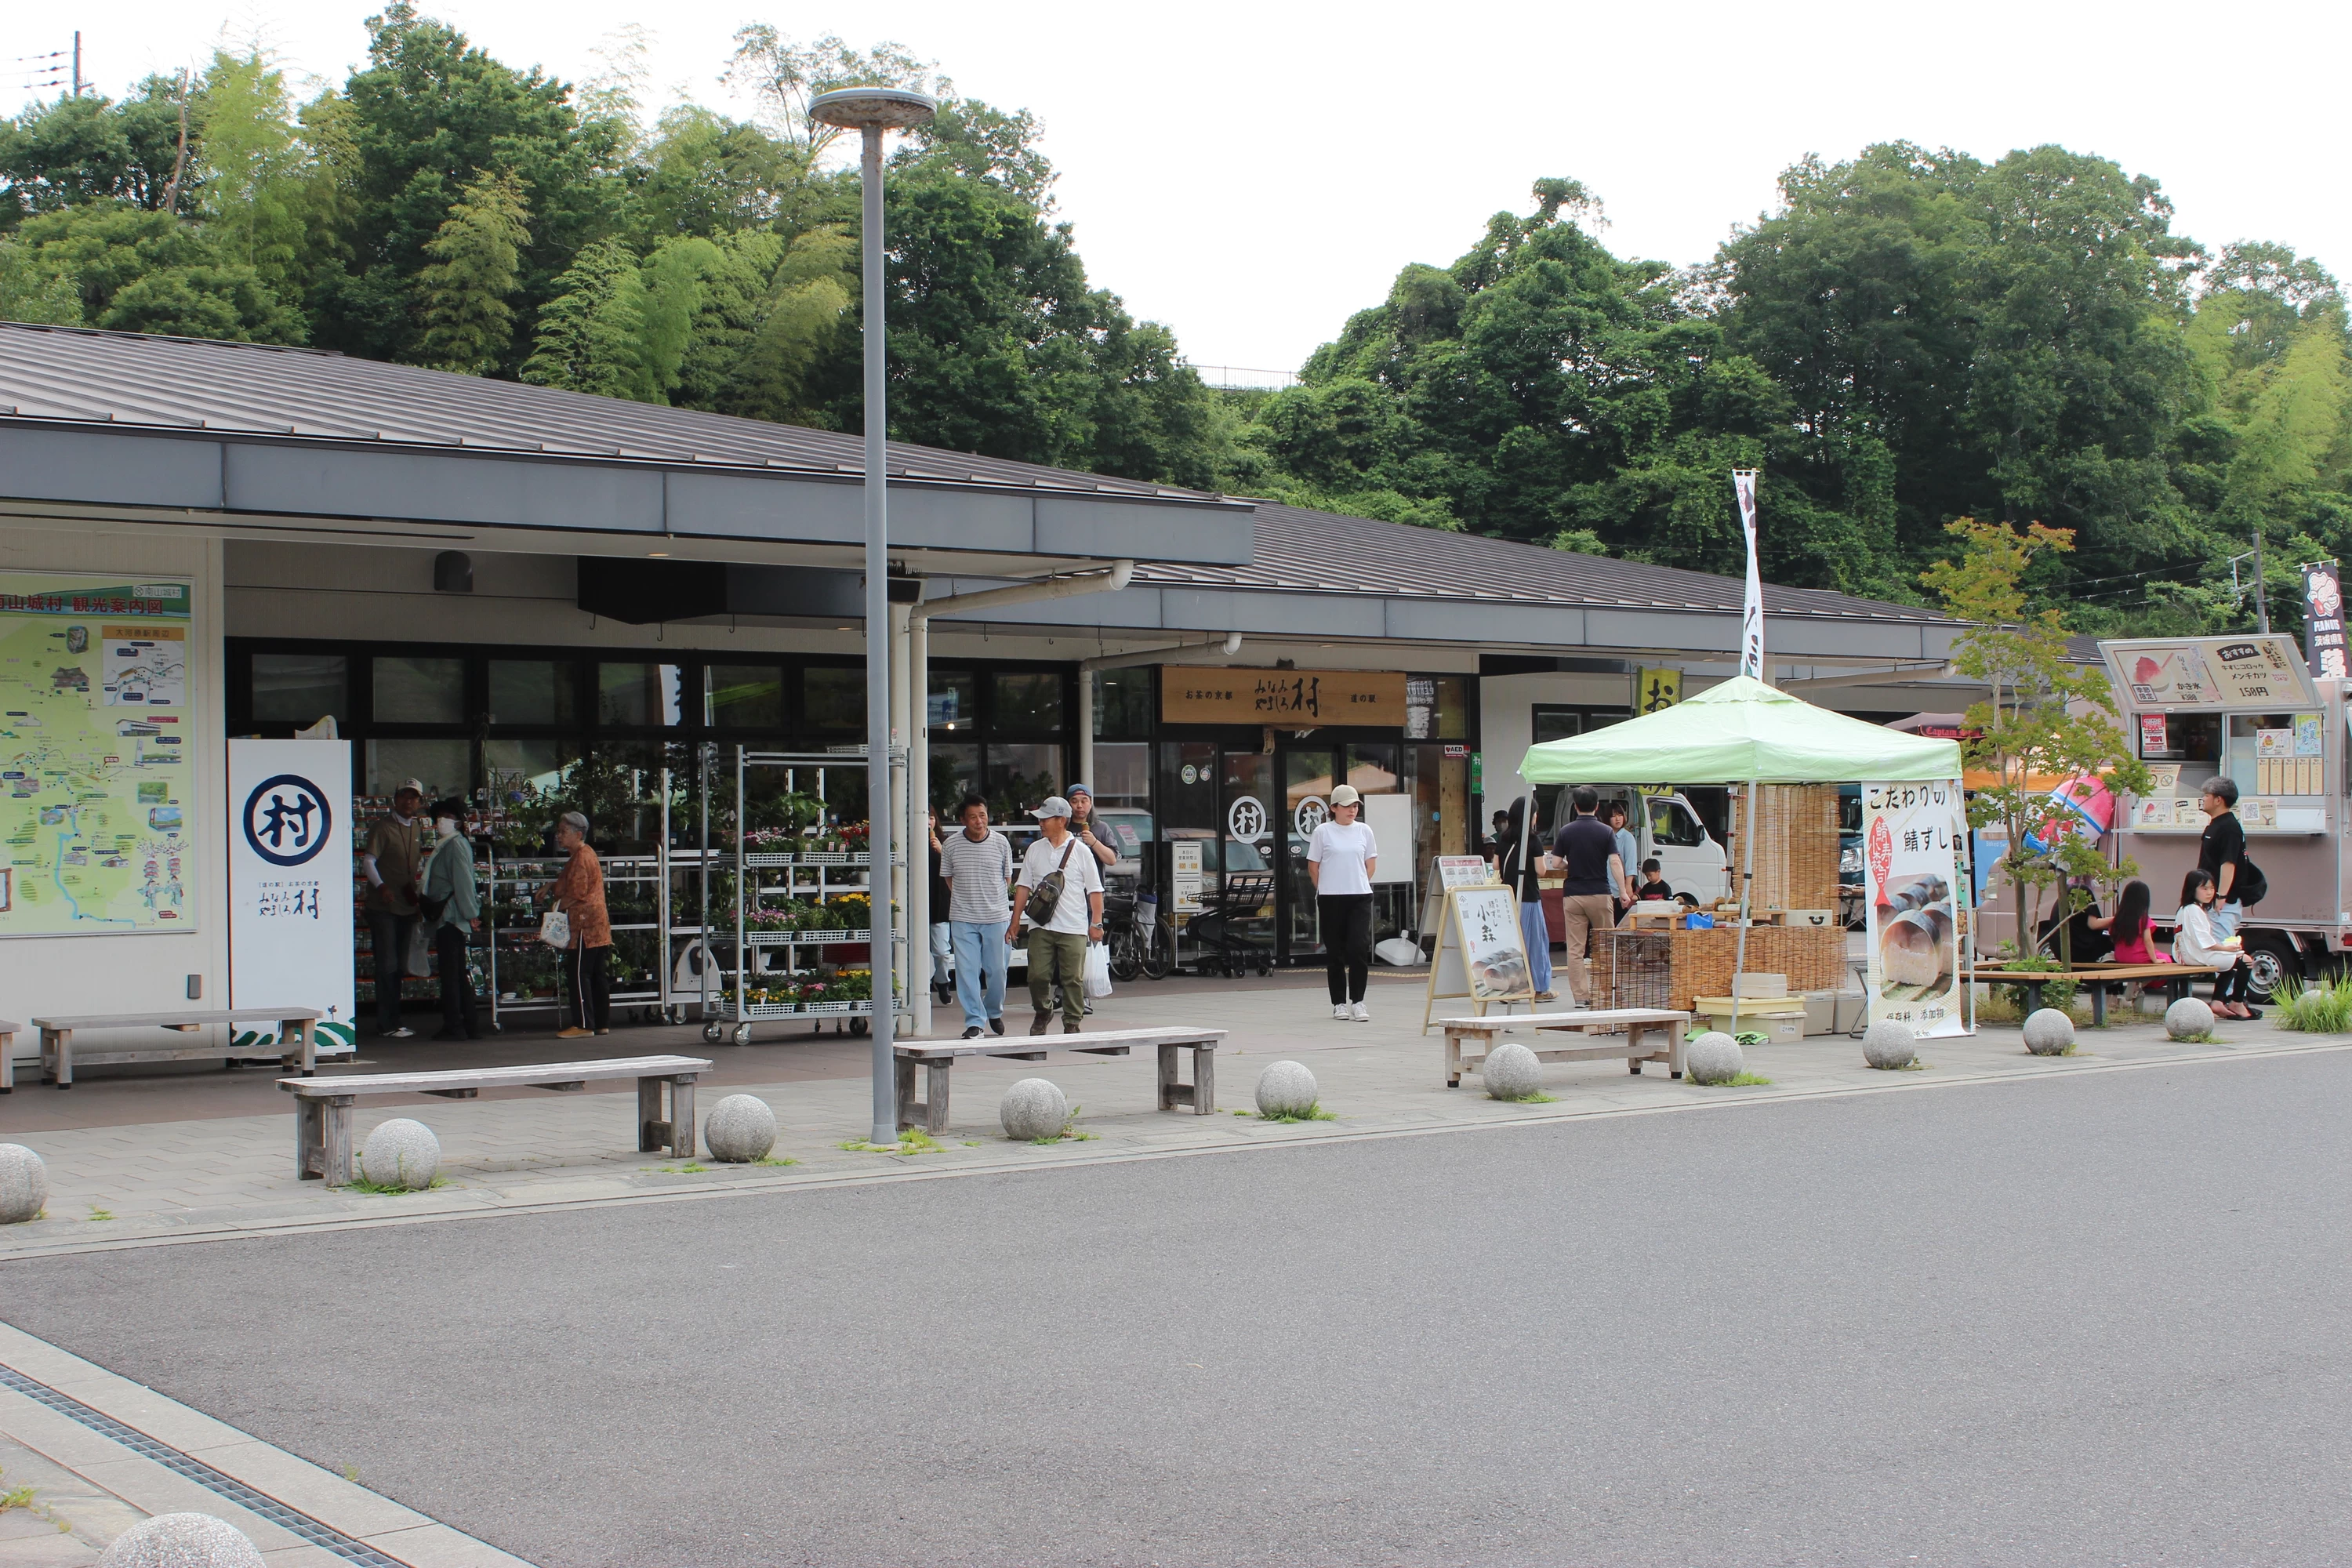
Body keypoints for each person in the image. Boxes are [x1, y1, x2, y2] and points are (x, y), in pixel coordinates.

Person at [1007, 797, 1105, 1035]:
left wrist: (1096, 923)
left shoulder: (1082, 851)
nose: (1040, 824)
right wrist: (1015, 921)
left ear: (1062, 821)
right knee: (1037, 975)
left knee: (1072, 978)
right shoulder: (1034, 849)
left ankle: (1072, 1022)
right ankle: (1043, 1011)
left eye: (1045, 819)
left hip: (1074, 926)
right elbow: (1023, 887)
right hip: (1041, 925)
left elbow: (1095, 891)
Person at [940, 793, 1015, 1039]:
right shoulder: (951, 845)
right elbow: (949, 878)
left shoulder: (1001, 843)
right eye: (972, 817)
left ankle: (994, 1010)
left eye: (982, 815)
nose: (979, 821)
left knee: (998, 971)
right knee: (966, 971)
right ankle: (975, 1021)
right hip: (963, 918)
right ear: (963, 819)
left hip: (996, 916)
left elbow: (1007, 878)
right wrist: (967, 898)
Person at [360, 779, 426, 1040]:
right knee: (387, 964)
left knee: (399, 964)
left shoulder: (417, 827)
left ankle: (394, 1019)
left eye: (414, 797)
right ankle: (386, 1023)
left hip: (407, 905)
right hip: (384, 907)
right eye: (404, 796)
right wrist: (381, 886)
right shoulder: (382, 827)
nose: (409, 801)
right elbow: (368, 861)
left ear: (420, 802)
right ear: (395, 799)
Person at [1307, 783, 1378, 1022]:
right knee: (1335, 952)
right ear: (1334, 808)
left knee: (1358, 949)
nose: (1352, 810)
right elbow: (1313, 866)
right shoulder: (1323, 832)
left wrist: (1357, 882)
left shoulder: (1364, 831)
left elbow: (1370, 864)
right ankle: (1339, 1002)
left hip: (1359, 896)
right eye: (1347, 806)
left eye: (1356, 805)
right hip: (1330, 898)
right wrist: (1325, 888)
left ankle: (1358, 1001)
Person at [1552, 786, 1626, 1007]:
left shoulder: (1566, 831)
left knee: (1575, 949)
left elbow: (1555, 863)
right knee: (1605, 944)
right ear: (1596, 807)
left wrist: (1569, 864)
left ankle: (1581, 997)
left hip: (1573, 895)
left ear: (1575, 807)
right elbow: (1614, 862)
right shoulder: (1605, 832)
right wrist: (1622, 891)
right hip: (1600, 894)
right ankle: (1606, 991)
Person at [420, 797, 481, 1041]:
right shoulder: (452, 843)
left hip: (451, 917)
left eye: (448, 817)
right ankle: (469, 1024)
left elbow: (464, 882)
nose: (441, 821)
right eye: (439, 817)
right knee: (456, 973)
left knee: (451, 974)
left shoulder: (454, 845)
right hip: (452, 916)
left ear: (458, 821)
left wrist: (472, 914)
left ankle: (455, 1024)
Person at [551, 810, 612, 1038]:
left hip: (584, 926)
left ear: (578, 834)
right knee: (597, 974)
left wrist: (556, 908)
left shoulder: (580, 858)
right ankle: (601, 1022)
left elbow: (576, 892)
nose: (559, 835)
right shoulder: (586, 854)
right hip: (597, 925)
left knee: (579, 974)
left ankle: (584, 1024)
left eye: (563, 831)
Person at [2175, 868, 2257, 1019]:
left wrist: (2227, 951)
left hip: (2189, 954)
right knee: (2245, 960)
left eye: (2212, 888)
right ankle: (2236, 1002)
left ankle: (2218, 1001)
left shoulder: (2184, 909)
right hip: (2197, 956)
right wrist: (2226, 948)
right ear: (2192, 889)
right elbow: (2204, 941)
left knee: (2231, 959)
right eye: (2204, 888)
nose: (2209, 892)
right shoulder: (2194, 910)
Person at [1495, 800, 1555, 1001]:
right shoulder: (1532, 840)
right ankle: (1539, 988)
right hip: (1528, 898)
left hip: (1507, 899)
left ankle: (1507, 986)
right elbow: (1541, 870)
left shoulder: (1504, 839)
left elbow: (1496, 865)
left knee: (1510, 945)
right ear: (1530, 817)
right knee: (1535, 944)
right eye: (1535, 814)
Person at [2197, 776, 2247, 942]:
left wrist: (2221, 896)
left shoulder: (2229, 827)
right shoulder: (2215, 824)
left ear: (2219, 800)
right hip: (2210, 899)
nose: (2203, 799)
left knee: (2222, 947)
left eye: (2207, 795)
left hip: (2222, 903)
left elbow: (2228, 864)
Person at [926, 805, 954, 1005]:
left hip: (939, 903)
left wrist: (941, 851)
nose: (929, 822)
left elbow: (957, 869)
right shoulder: (907, 840)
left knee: (942, 952)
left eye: (932, 817)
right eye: (925, 817)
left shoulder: (946, 842)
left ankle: (942, 981)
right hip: (917, 904)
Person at [1605, 800, 1640, 908]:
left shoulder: (1627, 837)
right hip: (1605, 889)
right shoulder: (1604, 836)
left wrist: (1628, 886)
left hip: (1619, 890)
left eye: (1620, 815)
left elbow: (1631, 864)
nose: (1617, 819)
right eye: (1614, 816)